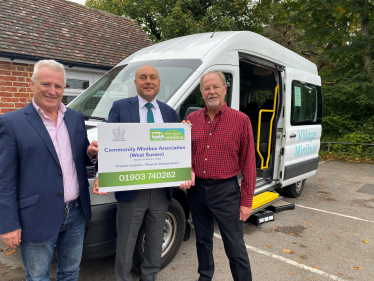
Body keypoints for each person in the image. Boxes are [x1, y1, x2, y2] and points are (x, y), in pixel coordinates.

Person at [0, 59, 99, 280]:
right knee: (37, 277)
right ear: (32, 84)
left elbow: (79, 156)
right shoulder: (11, 123)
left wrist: (90, 154)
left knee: (71, 272)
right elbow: (4, 180)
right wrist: (8, 225)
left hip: (76, 212)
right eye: (46, 84)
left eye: (58, 86)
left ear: (64, 88)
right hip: (36, 215)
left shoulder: (74, 118)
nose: (52, 91)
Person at [92, 65, 176, 281]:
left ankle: (149, 278)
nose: (148, 81)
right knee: (126, 244)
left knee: (155, 243)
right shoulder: (120, 107)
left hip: (160, 191)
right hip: (130, 191)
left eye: (152, 78)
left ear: (159, 83)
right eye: (143, 78)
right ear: (136, 83)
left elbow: (177, 149)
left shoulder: (169, 112)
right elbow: (109, 145)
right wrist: (103, 173)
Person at [180, 71, 256, 281]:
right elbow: (182, 154)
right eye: (206, 88)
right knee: (202, 241)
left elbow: (249, 163)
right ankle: (205, 276)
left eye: (215, 87)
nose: (211, 91)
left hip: (226, 191)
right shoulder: (191, 121)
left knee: (234, 245)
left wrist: (247, 200)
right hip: (197, 191)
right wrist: (186, 168)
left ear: (225, 89)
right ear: (202, 93)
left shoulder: (241, 120)